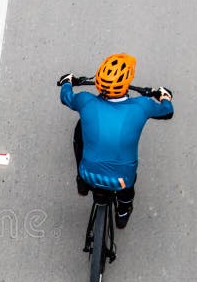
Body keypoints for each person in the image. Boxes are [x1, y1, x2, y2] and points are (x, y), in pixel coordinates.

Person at [57, 53, 173, 229]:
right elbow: (167, 112)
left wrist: (67, 81)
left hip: (88, 173)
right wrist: (165, 97)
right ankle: (123, 210)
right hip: (122, 179)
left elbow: (66, 96)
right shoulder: (143, 105)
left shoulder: (85, 101)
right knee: (127, 185)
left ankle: (82, 183)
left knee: (80, 129)